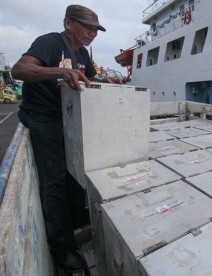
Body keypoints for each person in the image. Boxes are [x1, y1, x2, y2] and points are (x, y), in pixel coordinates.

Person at [11, 4, 106, 273]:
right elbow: (18, 70)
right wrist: (59, 71)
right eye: (87, 27)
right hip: (42, 117)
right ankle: (63, 249)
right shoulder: (50, 42)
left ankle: (77, 220)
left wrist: (109, 83)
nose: (92, 33)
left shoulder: (84, 53)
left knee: (75, 173)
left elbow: (88, 81)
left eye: (96, 29)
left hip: (68, 119)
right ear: (68, 23)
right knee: (53, 181)